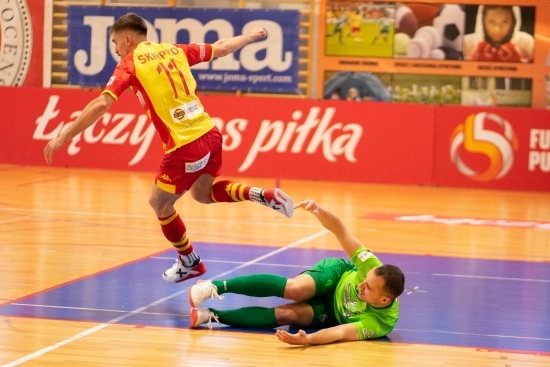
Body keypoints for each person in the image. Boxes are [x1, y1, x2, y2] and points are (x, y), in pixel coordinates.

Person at [43, 13, 294, 283]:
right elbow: (220, 48)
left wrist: (65, 135)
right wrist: (251, 36)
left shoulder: (130, 64)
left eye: (116, 42)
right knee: (203, 193)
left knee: (159, 203)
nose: (115, 50)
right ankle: (262, 194)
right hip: (210, 133)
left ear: (128, 39)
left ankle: (190, 261)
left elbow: (100, 104)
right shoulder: (172, 50)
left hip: (184, 145)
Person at [187, 199, 405, 345]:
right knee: (296, 289)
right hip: (335, 276)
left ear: (384, 299)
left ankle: (213, 316)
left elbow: (340, 333)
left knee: (287, 315)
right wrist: (320, 211)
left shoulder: (380, 323)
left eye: (367, 288)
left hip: (332, 313)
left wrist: (308, 341)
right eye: (364, 280)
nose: (361, 285)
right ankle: (214, 286)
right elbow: (340, 230)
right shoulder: (372, 266)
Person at [463, 5, 533, 62]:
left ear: (513, 22)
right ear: (482, 21)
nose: (497, 29)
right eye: (492, 22)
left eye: (505, 22)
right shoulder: (466, 44)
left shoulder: (527, 43)